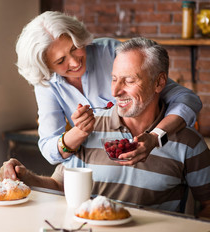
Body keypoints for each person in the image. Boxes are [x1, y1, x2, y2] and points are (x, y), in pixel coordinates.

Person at [2, 37, 210, 218]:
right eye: (113, 79)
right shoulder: (88, 128)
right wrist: (24, 176)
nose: (116, 91)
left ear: (159, 83)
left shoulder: (188, 142)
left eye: (129, 80)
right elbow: (61, 186)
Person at [16, 11, 202, 166]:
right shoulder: (47, 83)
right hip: (94, 167)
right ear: (46, 67)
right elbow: (50, 150)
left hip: (153, 157)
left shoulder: (111, 52)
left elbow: (187, 99)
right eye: (60, 60)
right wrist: (78, 132)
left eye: (74, 48)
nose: (74, 61)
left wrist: (155, 137)